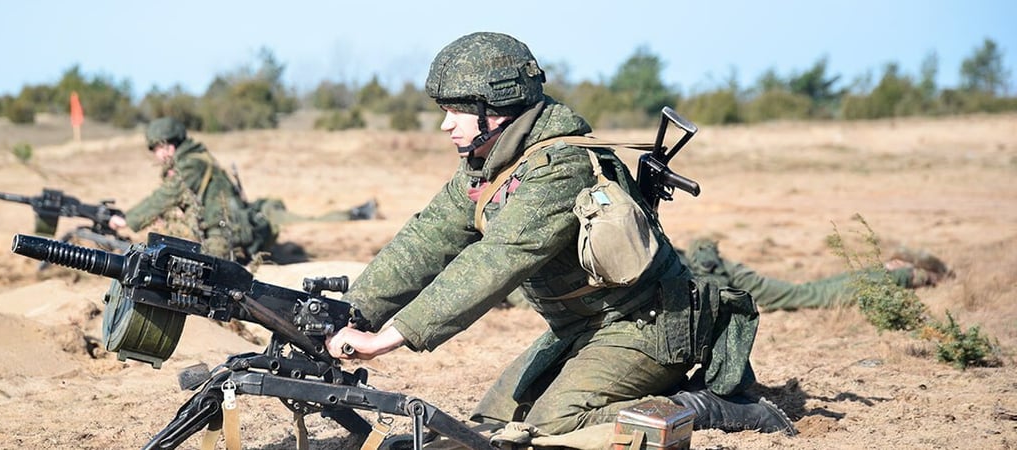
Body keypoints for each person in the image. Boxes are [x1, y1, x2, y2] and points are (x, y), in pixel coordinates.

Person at [324, 32, 796, 439]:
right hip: (583, 327)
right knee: (486, 425)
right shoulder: (488, 163)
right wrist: (353, 311)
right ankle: (659, 395)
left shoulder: (559, 167)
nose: (446, 123)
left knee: (553, 429)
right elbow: (427, 240)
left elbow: (498, 258)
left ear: (498, 108)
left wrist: (392, 336)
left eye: (456, 111)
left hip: (647, 325)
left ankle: (713, 408)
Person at [108, 117, 378, 264]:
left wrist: (128, 219)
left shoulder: (190, 165)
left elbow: (166, 196)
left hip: (225, 234)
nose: (155, 156)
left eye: (155, 149)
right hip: (231, 227)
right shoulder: (196, 158)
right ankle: (357, 213)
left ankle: (356, 214)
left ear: (167, 146)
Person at [683, 237, 952, 312]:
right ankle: (890, 269)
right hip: (711, 266)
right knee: (808, 289)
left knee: (806, 294)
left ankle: (908, 275)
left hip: (719, 277)